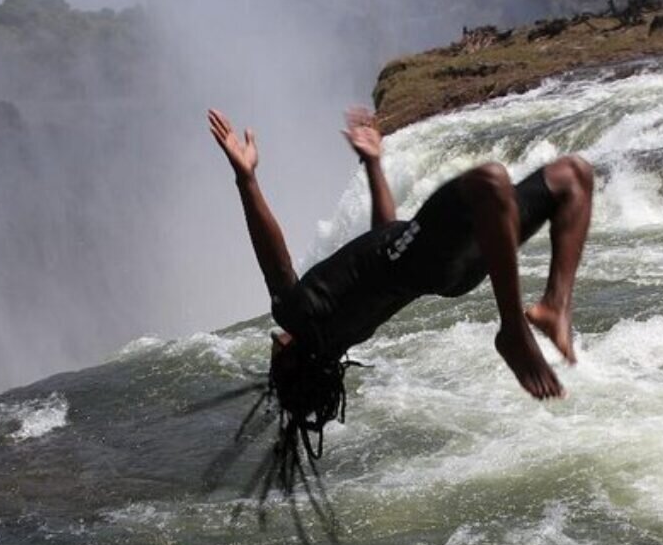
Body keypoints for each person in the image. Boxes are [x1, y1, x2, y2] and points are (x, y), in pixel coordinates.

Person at [208, 107, 593, 408]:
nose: (273, 345)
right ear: (290, 362)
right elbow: (275, 263)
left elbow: (385, 238)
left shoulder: (343, 332)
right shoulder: (300, 318)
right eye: (275, 359)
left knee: (572, 176)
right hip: (429, 256)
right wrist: (247, 180)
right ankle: (513, 329)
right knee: (492, 181)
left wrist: (373, 164)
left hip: (447, 266)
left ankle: (555, 306)